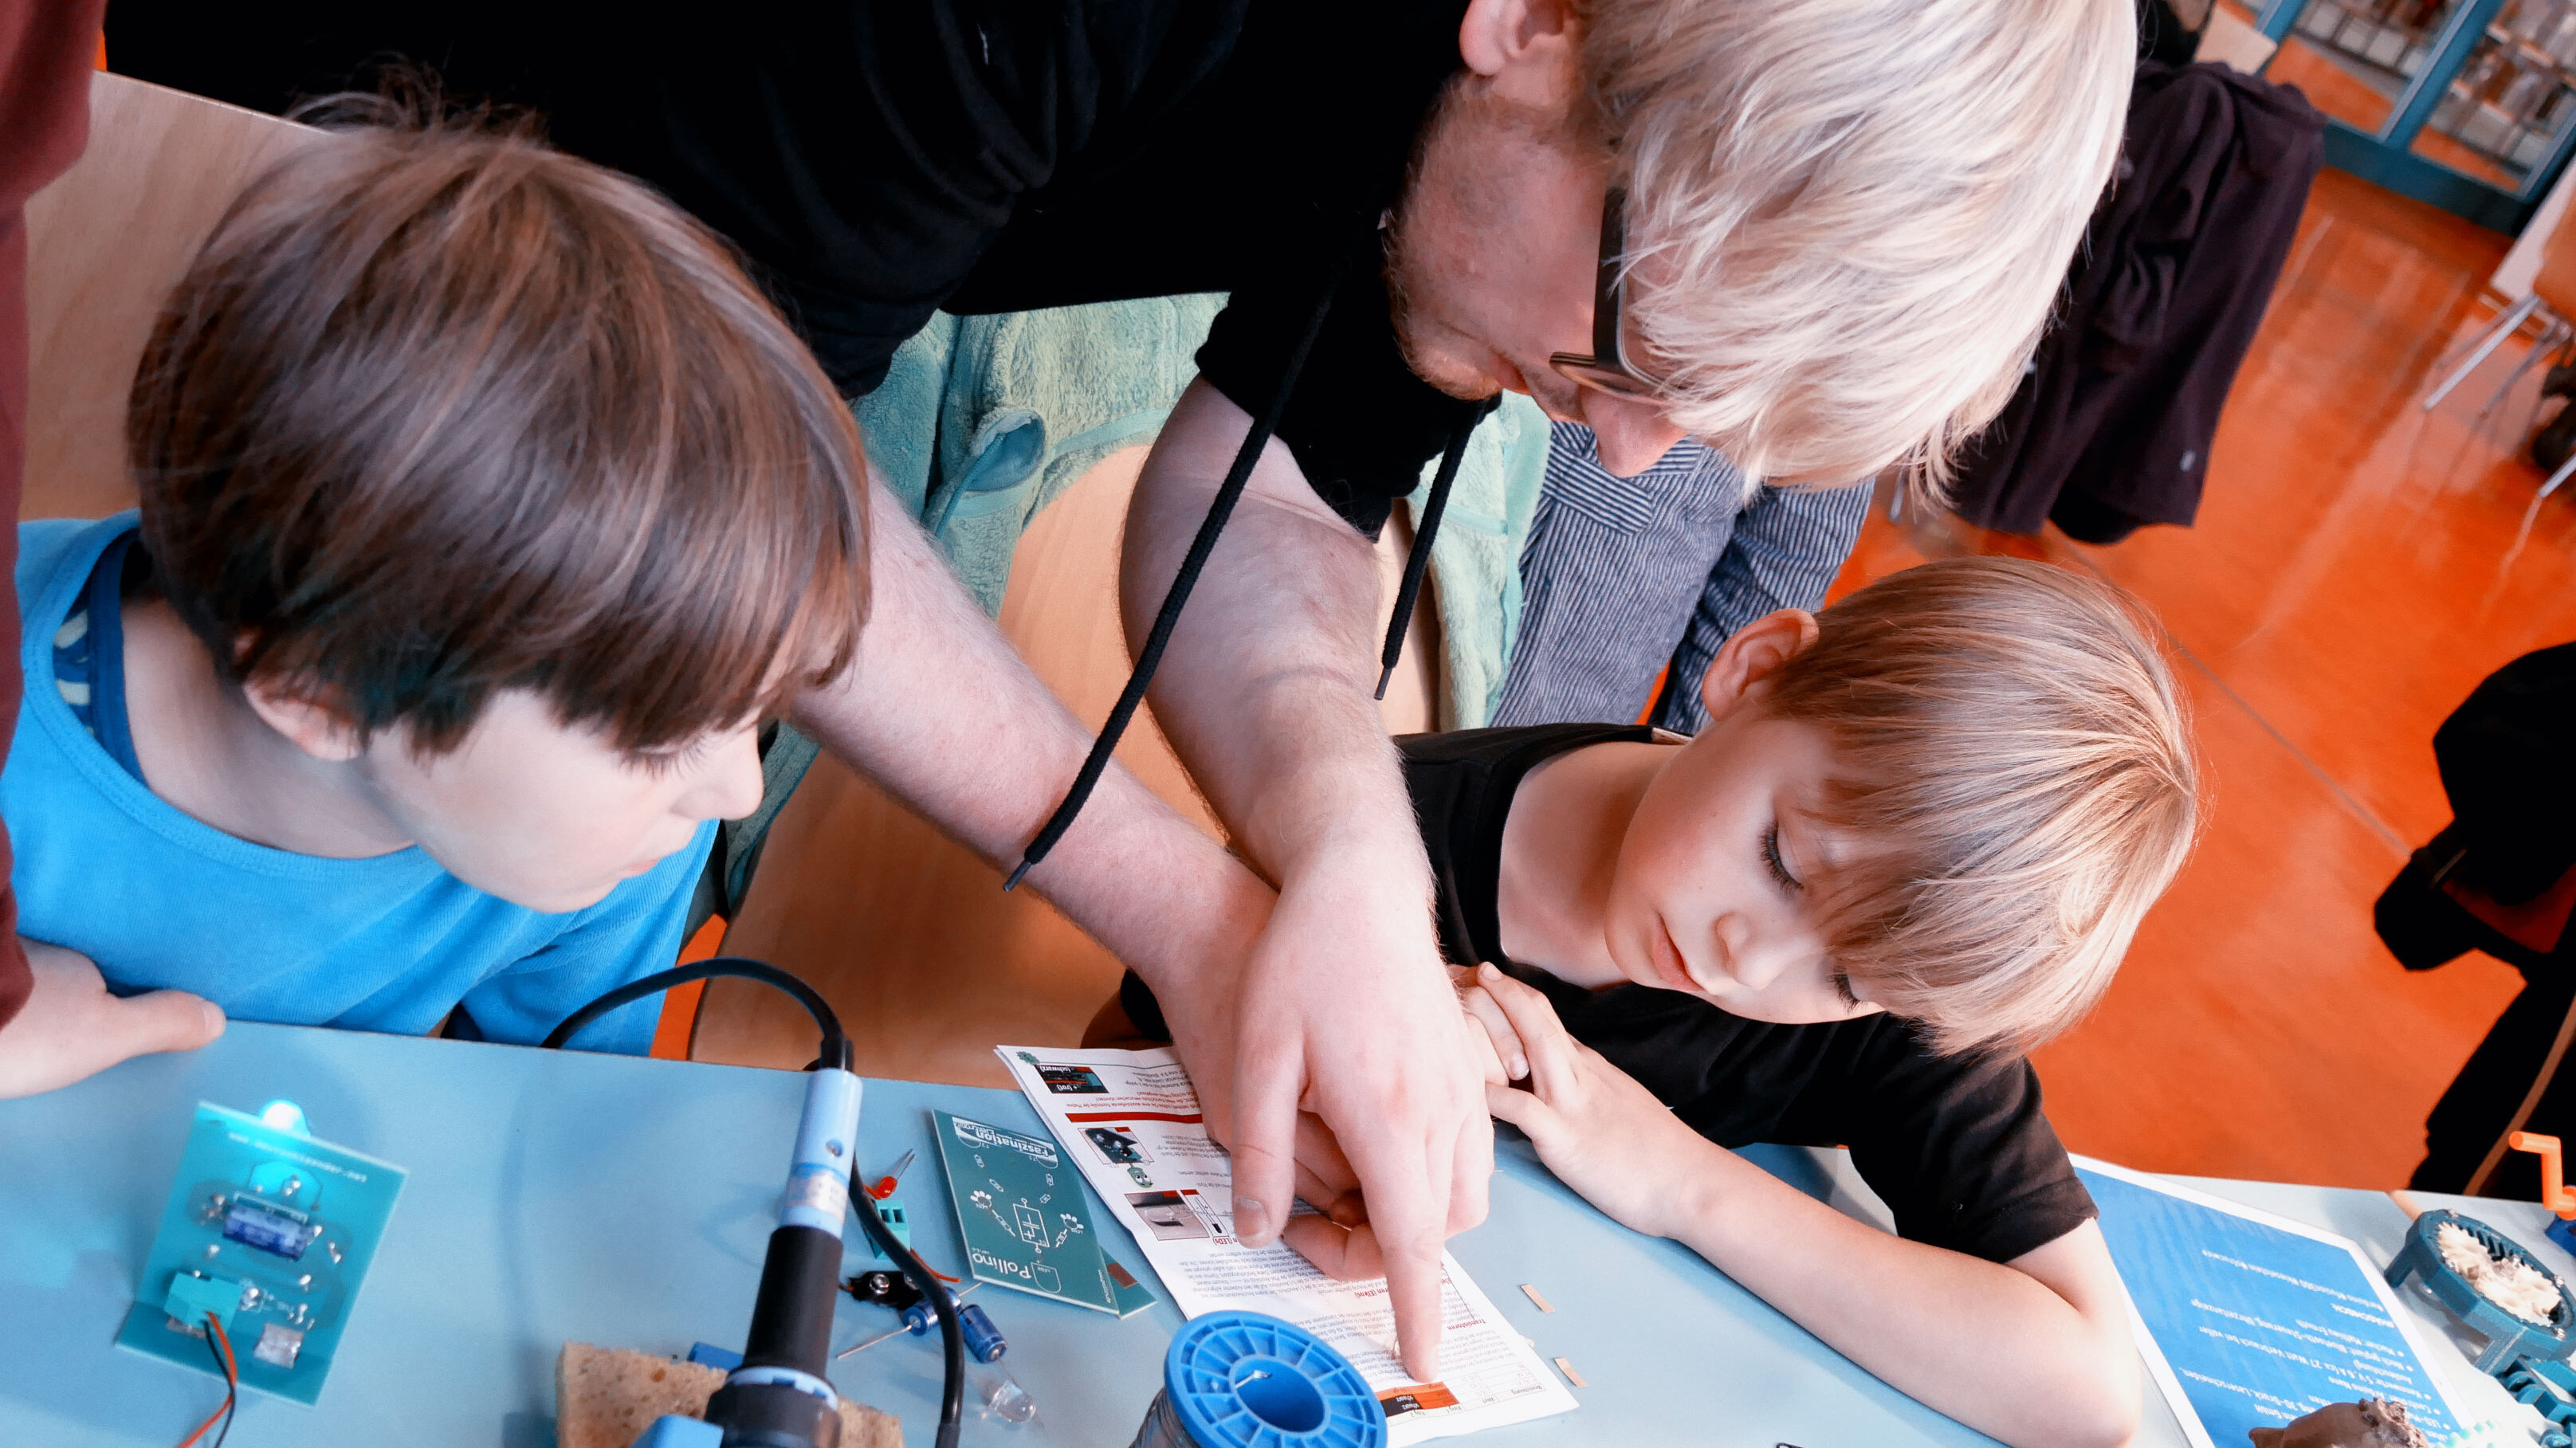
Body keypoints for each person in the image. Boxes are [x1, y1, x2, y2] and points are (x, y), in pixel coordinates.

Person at [84, 0, 2138, 1375]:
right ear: (1542, 20)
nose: (1609, 457)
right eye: (1628, 360)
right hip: (295, 185)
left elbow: (1283, 491)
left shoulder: (1537, 165)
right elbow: (681, 426)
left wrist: (1333, 861)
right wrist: (1188, 901)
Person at [1117, 556, 2199, 1446]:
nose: (1747, 964)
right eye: (1782, 860)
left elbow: (2089, 1392)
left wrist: (1680, 1179)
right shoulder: (1382, 835)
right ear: (1756, 668)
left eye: (1841, 981)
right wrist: (1347, 1048)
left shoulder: (1890, 981)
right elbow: (1112, 1058)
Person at [2, 116, 866, 1055]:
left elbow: (555, 1135)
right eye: (660, 736)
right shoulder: (23, 749)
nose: (736, 789)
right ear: (319, 689)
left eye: (752, 710)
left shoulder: (631, 840)